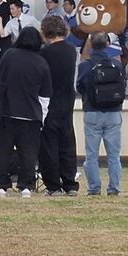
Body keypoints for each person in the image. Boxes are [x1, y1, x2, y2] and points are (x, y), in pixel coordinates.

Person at [0, 26, 52, 198]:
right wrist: (41, 118)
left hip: (6, 112)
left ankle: (0, 185)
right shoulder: (41, 62)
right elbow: (45, 96)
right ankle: (26, 186)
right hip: (31, 115)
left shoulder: (9, 56)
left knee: (2, 151)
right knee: (28, 153)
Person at [77, 31, 126, 196]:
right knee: (114, 155)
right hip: (113, 112)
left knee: (91, 155)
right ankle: (114, 188)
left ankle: (94, 187)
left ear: (91, 44)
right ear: (107, 44)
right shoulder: (117, 64)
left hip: (92, 111)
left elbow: (79, 86)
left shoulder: (85, 65)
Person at [38, 15, 79, 196]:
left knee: (49, 145)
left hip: (49, 100)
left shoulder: (45, 53)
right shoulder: (71, 50)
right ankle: (70, 183)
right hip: (67, 100)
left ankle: (53, 185)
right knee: (67, 143)